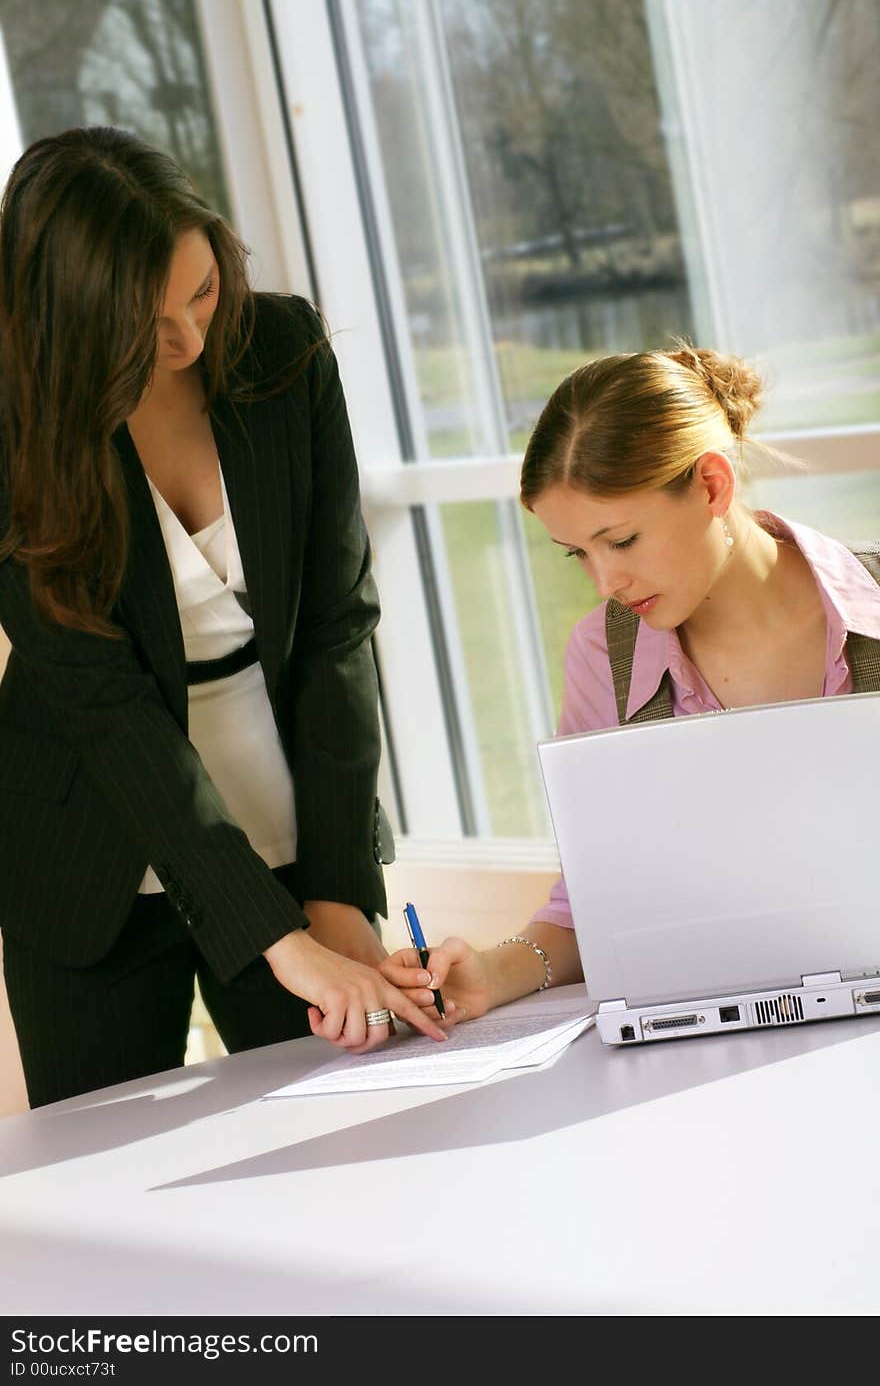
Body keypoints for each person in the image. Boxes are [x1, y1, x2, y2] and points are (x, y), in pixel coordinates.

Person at [0, 126, 447, 1108]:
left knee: (352, 1145)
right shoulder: (16, 428)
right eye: (144, 325)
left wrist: (332, 888)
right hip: (87, 849)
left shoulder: (286, 352)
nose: (189, 343)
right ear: (67, 321)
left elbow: (337, 626)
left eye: (199, 292)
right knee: (104, 1188)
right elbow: (108, 709)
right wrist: (275, 939)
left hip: (295, 819)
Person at [380, 344, 880, 1021]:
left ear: (712, 486)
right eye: (577, 554)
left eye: (620, 541)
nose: (605, 582)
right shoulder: (602, 655)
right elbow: (596, 899)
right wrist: (490, 975)